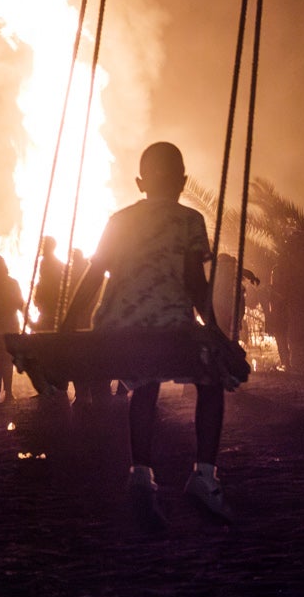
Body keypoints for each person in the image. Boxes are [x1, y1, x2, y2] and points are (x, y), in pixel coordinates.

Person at [65, 140, 234, 529]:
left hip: (118, 328)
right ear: (184, 181)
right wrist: (214, 329)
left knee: (144, 386)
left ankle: (141, 474)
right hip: (170, 326)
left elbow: (93, 277)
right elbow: (194, 282)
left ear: (141, 183)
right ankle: (204, 477)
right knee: (211, 381)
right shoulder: (191, 221)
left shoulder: (118, 220)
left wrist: (67, 328)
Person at [0, 253, 25, 403]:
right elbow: (20, 303)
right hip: (10, 329)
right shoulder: (12, 283)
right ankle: (7, 392)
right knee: (7, 362)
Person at [32, 236, 67, 331]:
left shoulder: (49, 263)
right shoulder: (56, 264)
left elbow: (46, 285)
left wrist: (38, 297)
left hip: (50, 310)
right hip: (50, 308)